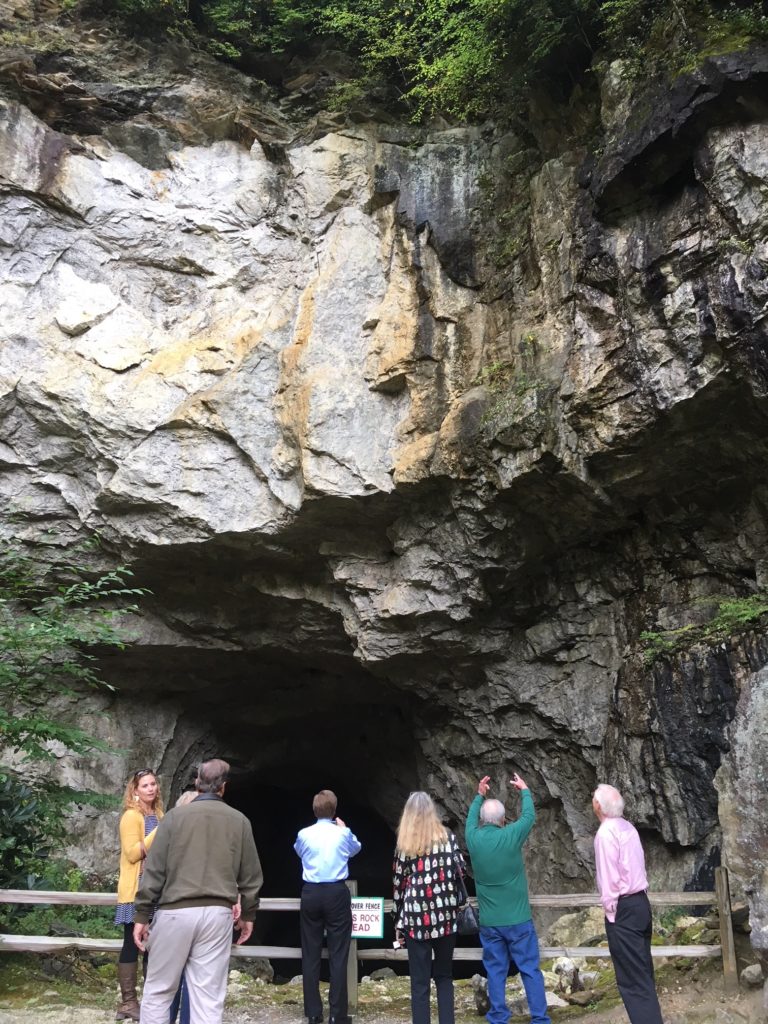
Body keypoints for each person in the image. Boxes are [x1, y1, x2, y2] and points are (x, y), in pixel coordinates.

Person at [132, 759, 263, 1024]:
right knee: (208, 998)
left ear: (196, 783)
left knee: (158, 992)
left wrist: (142, 915)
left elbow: (154, 870)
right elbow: (250, 876)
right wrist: (248, 914)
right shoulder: (240, 821)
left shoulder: (172, 818)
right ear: (224, 787)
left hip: (174, 912)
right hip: (217, 915)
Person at [466, 774, 551, 1024]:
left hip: (491, 922)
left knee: (495, 971)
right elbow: (529, 817)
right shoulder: (511, 835)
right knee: (530, 970)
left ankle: (499, 1016)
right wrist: (525, 790)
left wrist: (479, 794)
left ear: (483, 820)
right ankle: (539, 1019)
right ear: (503, 820)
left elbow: (469, 822)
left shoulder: (473, 838)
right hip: (519, 920)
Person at [592, 783, 663, 1024]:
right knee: (643, 972)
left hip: (623, 909)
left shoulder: (605, 834)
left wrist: (611, 914)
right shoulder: (628, 827)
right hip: (641, 903)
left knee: (632, 981)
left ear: (598, 806)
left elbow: (610, 879)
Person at [393, 791, 465, 1024]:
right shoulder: (448, 837)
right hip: (445, 916)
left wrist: (398, 920)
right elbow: (460, 871)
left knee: (420, 982)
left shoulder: (405, 843)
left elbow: (399, 884)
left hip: (416, 919)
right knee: (444, 976)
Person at [294, 789, 361, 1024]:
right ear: (334, 811)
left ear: (314, 810)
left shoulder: (303, 834)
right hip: (335, 892)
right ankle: (337, 1014)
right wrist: (344, 829)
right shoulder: (342, 834)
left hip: (311, 892)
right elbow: (356, 849)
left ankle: (313, 1013)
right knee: (338, 954)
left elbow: (298, 852)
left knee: (310, 953)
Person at [115, 769, 164, 1021]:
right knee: (130, 944)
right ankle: (128, 1002)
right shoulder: (131, 817)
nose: (150, 789)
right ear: (135, 790)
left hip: (155, 890)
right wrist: (160, 831)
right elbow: (133, 853)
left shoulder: (158, 814)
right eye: (145, 785)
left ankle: (150, 1000)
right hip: (135, 890)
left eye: (153, 784)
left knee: (153, 945)